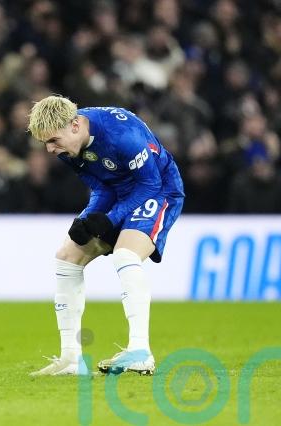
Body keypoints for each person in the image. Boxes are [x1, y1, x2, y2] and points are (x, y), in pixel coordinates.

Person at [27, 95, 185, 376]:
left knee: (125, 254)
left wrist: (109, 219)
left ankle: (140, 352)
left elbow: (150, 183)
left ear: (75, 126)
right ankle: (71, 359)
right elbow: (101, 188)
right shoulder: (68, 148)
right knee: (66, 257)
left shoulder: (122, 135)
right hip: (121, 193)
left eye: (53, 141)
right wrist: (87, 219)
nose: (50, 149)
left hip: (159, 190)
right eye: (45, 143)